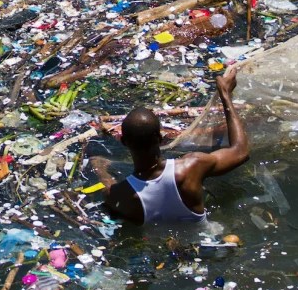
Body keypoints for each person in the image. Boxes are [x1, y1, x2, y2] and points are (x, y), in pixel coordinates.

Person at [91, 64, 249, 225]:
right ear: (160, 138)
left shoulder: (119, 195)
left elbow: (110, 193)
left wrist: (101, 170)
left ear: (123, 141)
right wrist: (225, 94)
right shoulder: (192, 167)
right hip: (209, 242)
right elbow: (240, 151)